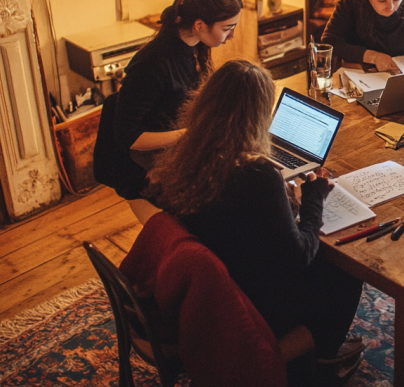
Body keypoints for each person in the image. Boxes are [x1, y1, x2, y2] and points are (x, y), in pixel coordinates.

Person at [148, 61, 364, 385]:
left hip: (219, 280)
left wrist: (281, 207)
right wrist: (313, 197)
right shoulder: (258, 175)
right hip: (251, 305)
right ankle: (323, 356)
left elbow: (235, 217)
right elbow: (298, 256)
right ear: (260, 116)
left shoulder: (189, 152)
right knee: (344, 271)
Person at [109, 0, 242, 210]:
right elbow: (127, 137)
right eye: (227, 28)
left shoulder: (194, 44)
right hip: (152, 159)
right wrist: (191, 134)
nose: (231, 37)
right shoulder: (153, 64)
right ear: (199, 24)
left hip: (181, 140)